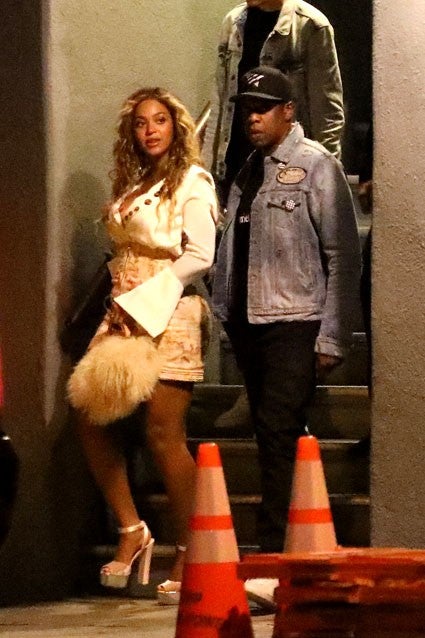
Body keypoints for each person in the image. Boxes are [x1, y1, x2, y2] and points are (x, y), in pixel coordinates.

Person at [212, 66, 360, 604]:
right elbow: (234, 250)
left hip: (295, 320)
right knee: (273, 436)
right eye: (247, 108)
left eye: (263, 108)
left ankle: (274, 561)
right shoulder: (249, 171)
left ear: (289, 110)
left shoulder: (317, 165)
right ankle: (294, 556)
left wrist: (332, 335)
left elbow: (343, 254)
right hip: (252, 323)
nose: (252, 117)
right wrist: (225, 312)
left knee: (278, 433)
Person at [74, 87, 218, 604]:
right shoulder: (137, 183)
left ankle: (192, 548)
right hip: (122, 309)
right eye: (140, 123)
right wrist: (124, 301)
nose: (150, 130)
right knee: (89, 415)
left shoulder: (193, 181)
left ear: (176, 127)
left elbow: (200, 255)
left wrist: (147, 299)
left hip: (169, 310)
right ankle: (132, 529)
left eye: (159, 120)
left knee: (163, 434)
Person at [203, 0, 344, 429]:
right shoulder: (234, 22)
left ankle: (285, 400)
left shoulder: (309, 25)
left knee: (287, 289)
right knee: (240, 287)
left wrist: (322, 174)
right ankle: (258, 393)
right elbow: (222, 99)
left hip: (291, 172)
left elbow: (327, 106)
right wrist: (209, 167)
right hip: (240, 168)